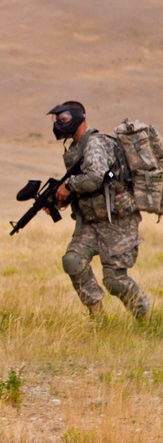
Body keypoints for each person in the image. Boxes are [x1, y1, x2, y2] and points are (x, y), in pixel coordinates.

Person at [49, 101, 150, 319]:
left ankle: (145, 318)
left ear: (79, 118)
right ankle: (98, 317)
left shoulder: (94, 144)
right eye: (57, 120)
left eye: (64, 118)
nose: (59, 124)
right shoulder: (76, 149)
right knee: (73, 261)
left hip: (116, 221)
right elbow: (85, 186)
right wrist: (60, 200)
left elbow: (94, 178)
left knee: (114, 279)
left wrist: (68, 186)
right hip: (90, 221)